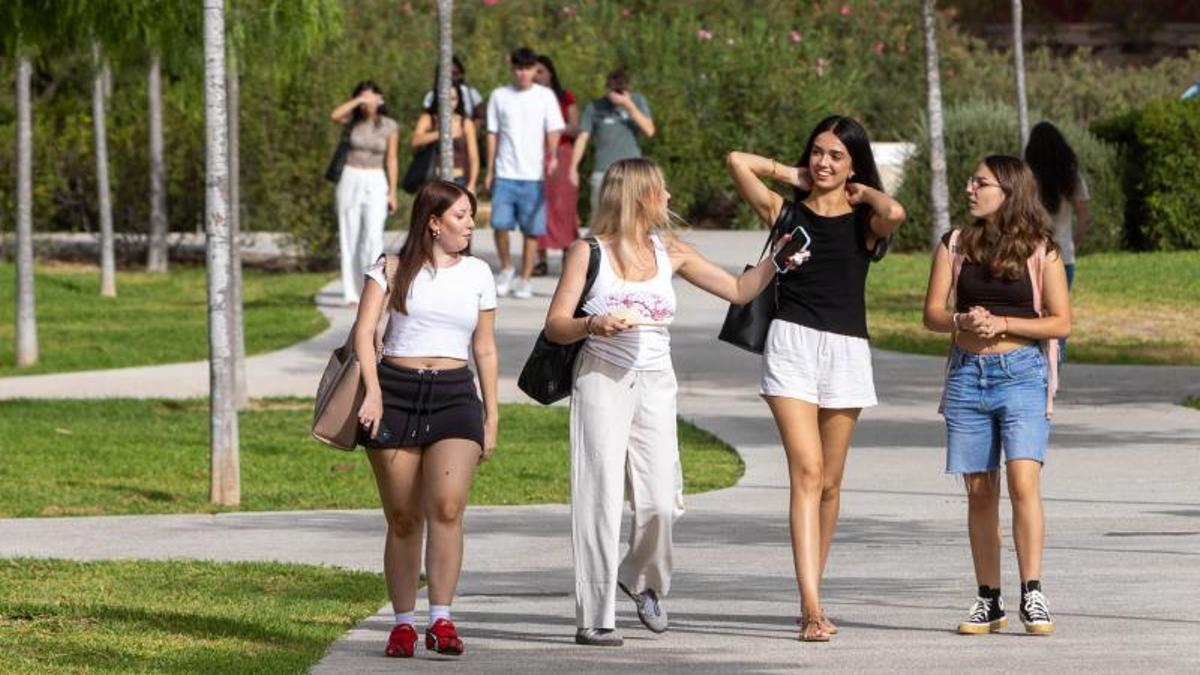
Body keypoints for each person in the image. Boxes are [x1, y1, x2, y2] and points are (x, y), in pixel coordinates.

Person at [544, 158, 803, 647]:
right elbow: (556, 324)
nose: (668, 200)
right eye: (661, 191)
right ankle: (595, 615)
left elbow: (738, 289)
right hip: (601, 376)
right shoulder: (588, 252)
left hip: (657, 381)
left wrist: (778, 259)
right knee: (598, 495)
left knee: (662, 501)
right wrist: (592, 324)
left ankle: (642, 580)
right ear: (639, 197)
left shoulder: (672, 251)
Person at [725, 115, 905, 642]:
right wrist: (794, 173)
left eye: (836, 156)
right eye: (818, 152)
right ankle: (810, 605)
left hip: (847, 350)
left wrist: (864, 190)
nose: (825, 162)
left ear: (854, 164)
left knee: (829, 482)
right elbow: (738, 161)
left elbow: (894, 212)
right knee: (806, 472)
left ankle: (815, 589)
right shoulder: (786, 213)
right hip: (792, 346)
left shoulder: (863, 222)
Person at [921, 155, 1070, 636]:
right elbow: (931, 314)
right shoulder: (955, 244)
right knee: (980, 492)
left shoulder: (1041, 249)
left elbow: (1060, 322)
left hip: (1022, 373)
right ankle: (989, 598)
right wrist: (962, 320)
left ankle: (1033, 591)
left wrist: (1004, 322)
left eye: (979, 182)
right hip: (967, 375)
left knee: (1024, 483)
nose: (970, 188)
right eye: (970, 181)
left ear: (1008, 190)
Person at [353, 179, 499, 658]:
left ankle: (442, 618)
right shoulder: (391, 268)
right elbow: (363, 334)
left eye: (470, 216)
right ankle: (401, 623)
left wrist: (491, 415)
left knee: (448, 509)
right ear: (433, 222)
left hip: (456, 394)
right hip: (394, 390)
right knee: (402, 517)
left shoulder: (478, 273)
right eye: (461, 216)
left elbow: (485, 347)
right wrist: (372, 394)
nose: (469, 225)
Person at [485, 47, 565, 299]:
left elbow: (553, 128)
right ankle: (507, 268)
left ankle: (526, 278)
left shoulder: (545, 96)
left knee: (531, 230)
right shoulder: (499, 96)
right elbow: (492, 133)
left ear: (534, 70)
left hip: (534, 174)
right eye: (519, 68)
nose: (523, 74)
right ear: (513, 69)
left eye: (528, 68)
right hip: (505, 171)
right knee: (500, 225)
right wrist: (490, 170)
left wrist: (552, 156)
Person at [329, 80, 399, 305]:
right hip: (352, 175)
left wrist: (393, 191)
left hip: (376, 177)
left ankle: (374, 288)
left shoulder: (389, 125)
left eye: (372, 97)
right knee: (350, 234)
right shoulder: (352, 122)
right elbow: (334, 115)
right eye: (364, 98)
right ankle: (351, 292)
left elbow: (392, 159)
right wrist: (359, 99)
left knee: (373, 235)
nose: (369, 103)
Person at [569, 67, 655, 220]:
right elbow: (582, 138)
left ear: (627, 89)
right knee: (600, 218)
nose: (616, 94)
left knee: (634, 218)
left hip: (632, 172)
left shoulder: (637, 101)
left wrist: (628, 105)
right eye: (613, 90)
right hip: (604, 171)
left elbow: (649, 131)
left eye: (620, 90)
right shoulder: (594, 107)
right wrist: (573, 167)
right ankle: (596, 244)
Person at [1024, 121, 1090, 291]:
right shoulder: (1072, 177)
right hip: (1063, 256)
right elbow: (1084, 218)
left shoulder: (1025, 178)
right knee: (1058, 314)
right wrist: (1072, 243)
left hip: (1029, 256)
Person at [533, 54, 580, 276]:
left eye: (541, 71)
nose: (537, 75)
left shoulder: (565, 97)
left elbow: (574, 127)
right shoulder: (530, 98)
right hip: (536, 153)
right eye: (534, 71)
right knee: (540, 205)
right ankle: (540, 258)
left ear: (551, 73)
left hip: (562, 153)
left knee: (564, 205)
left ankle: (567, 252)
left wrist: (553, 126)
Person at [411, 84, 480, 193]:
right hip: (433, 179)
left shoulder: (465, 123)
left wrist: (472, 183)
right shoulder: (429, 119)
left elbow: (474, 157)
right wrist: (442, 134)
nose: (449, 103)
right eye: (446, 98)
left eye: (453, 99)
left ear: (458, 101)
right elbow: (415, 141)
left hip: (459, 179)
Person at [421, 55, 485, 126]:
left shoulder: (471, 94)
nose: (452, 78)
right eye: (447, 75)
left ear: (461, 74)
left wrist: (471, 133)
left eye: (455, 74)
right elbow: (424, 120)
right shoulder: (431, 96)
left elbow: (480, 118)